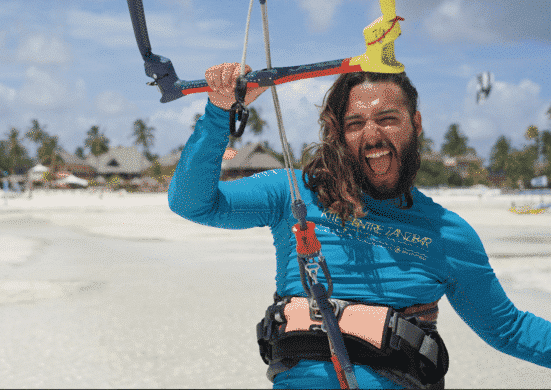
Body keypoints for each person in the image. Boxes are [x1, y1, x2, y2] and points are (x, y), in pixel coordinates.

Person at [168, 63, 551, 389]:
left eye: (388, 119)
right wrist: (220, 112)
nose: (372, 135)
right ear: (339, 134)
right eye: (355, 123)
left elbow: (511, 330)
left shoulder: (448, 233)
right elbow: (192, 203)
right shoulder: (293, 194)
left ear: (415, 124)